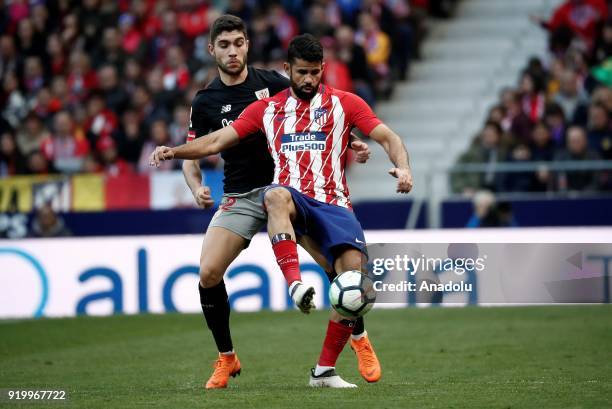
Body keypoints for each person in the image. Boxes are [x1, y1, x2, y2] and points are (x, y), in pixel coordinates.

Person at [150, 33, 413, 388]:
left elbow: (388, 137)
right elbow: (213, 141)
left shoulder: (343, 102)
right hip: (276, 196)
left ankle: (327, 368)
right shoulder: (262, 108)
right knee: (265, 206)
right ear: (288, 69)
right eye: (301, 72)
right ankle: (292, 290)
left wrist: (401, 166)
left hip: (333, 202)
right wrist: (174, 152)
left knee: (354, 281)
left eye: (315, 73)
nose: (308, 80)